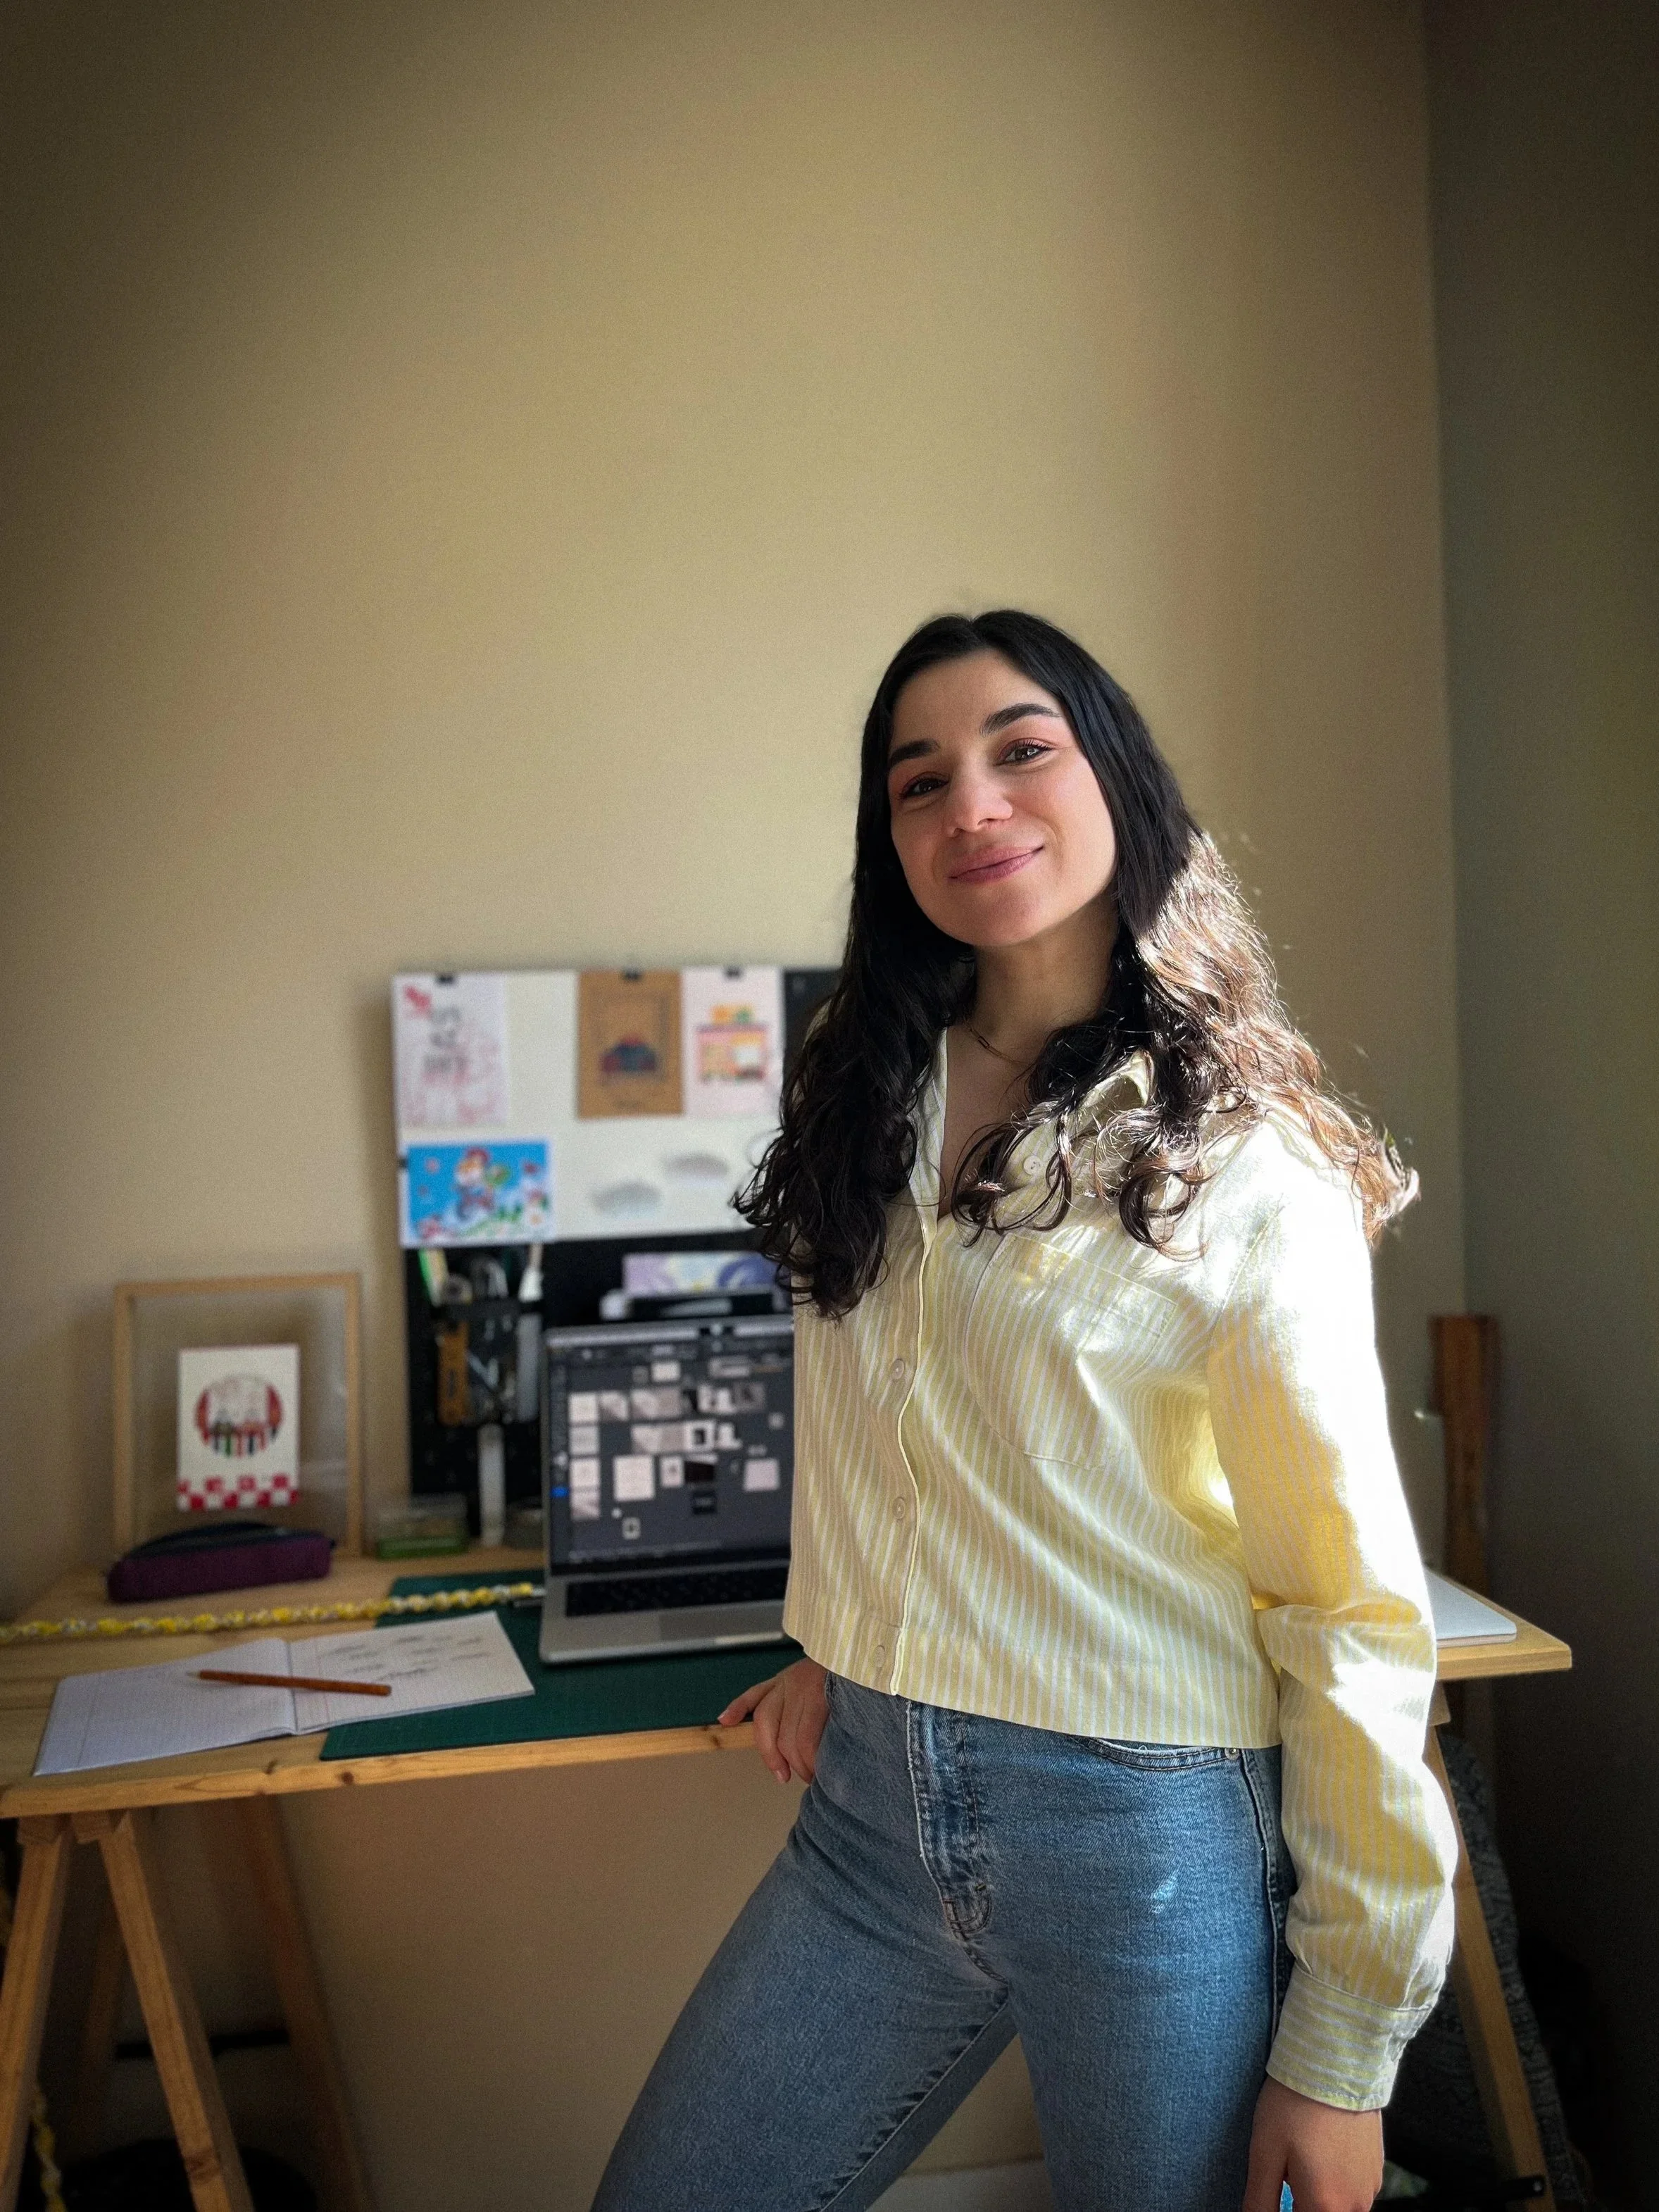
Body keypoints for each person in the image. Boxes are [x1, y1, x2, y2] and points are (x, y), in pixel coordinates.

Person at [591, 611, 1458, 2212]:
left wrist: (1344, 2049)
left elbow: (1347, 1608)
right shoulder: (864, 1085)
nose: (971, 805)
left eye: (1020, 749)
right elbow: (911, 1418)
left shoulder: (1244, 1161)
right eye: (919, 781)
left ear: (1113, 774)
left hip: (1138, 1842)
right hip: (867, 1815)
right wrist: (848, 1631)